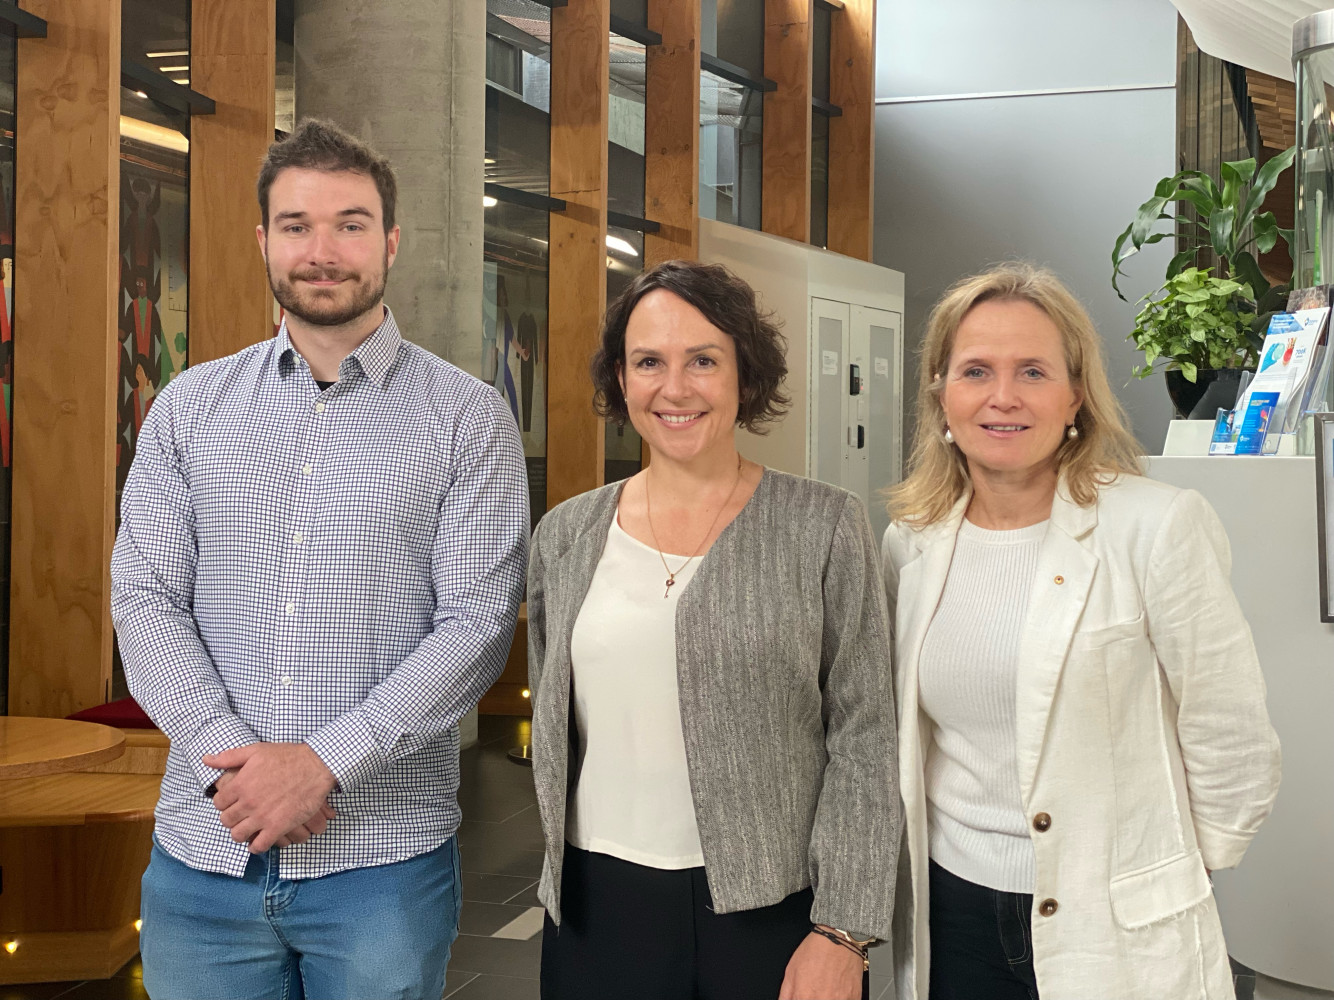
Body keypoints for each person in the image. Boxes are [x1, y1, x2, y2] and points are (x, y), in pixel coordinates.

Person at [110, 119, 529, 1000]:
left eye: (350, 223)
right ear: (263, 240)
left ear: (391, 241)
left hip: (382, 868)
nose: (322, 250)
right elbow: (145, 597)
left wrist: (322, 765)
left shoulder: (467, 418)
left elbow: (478, 626)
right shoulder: (191, 408)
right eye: (297, 226)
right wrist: (236, 762)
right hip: (203, 854)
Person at [882, 262, 1281, 1000]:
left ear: (1075, 395)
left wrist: (1183, 873)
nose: (1003, 397)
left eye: (1033, 371)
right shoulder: (912, 540)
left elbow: (1230, 728)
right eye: (976, 371)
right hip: (954, 910)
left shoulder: (1156, 526)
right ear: (942, 394)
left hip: (1114, 921)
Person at [527, 260, 899, 1000]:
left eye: (703, 360)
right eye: (648, 363)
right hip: (599, 905)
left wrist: (844, 931)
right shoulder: (566, 535)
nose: (676, 387)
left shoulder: (822, 526)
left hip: (772, 910)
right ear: (621, 380)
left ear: (743, 375)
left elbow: (867, 736)